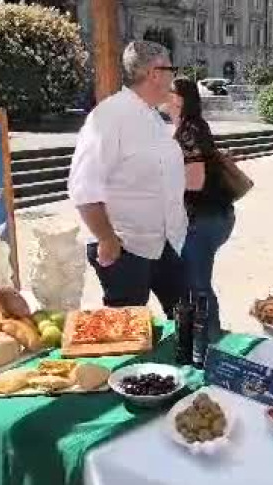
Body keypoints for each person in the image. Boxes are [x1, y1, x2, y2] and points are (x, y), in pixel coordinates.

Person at [67, 41, 187, 315]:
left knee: (185, 316)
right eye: (171, 70)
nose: (173, 78)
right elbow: (83, 187)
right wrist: (106, 239)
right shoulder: (110, 116)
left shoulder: (153, 116)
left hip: (165, 242)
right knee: (127, 326)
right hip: (124, 247)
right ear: (155, 73)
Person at [164, 77, 236, 342]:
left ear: (180, 99)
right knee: (195, 284)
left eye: (169, 91)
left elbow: (194, 181)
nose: (163, 94)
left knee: (198, 286)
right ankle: (202, 339)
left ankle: (211, 342)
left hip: (203, 219)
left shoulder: (188, 131)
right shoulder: (193, 126)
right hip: (214, 216)